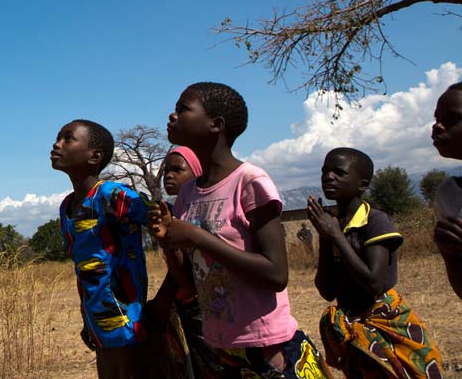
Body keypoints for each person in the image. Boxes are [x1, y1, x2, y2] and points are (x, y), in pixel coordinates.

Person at [149, 82, 328, 379]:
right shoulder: (188, 194)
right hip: (219, 347)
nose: (173, 116)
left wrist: (196, 237)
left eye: (183, 109)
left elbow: (276, 274)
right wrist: (168, 242)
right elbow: (192, 284)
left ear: (215, 124)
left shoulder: (250, 182)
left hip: (266, 347)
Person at [308, 147, 443, 379]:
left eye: (339, 172)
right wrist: (325, 236)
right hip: (353, 327)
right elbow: (326, 291)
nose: (329, 177)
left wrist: (336, 236)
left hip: (385, 321)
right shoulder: (334, 224)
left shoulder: (376, 221)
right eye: (325, 171)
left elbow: (375, 283)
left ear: (362, 184)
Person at [52, 118, 165, 379]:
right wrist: (86, 318)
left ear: (95, 157)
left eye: (68, 138)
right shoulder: (68, 206)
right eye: (57, 138)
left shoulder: (113, 196)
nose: (57, 144)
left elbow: (164, 222)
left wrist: (167, 297)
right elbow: (84, 270)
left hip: (127, 324)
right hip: (98, 325)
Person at [150, 146, 222, 379]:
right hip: (186, 303)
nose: (168, 175)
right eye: (165, 171)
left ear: (197, 173)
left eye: (177, 170)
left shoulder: (201, 215)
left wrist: (162, 300)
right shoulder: (170, 212)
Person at [430, 81, 462, 299]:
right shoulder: (450, 194)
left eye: (451, 119)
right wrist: (450, 254)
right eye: (437, 118)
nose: (437, 126)